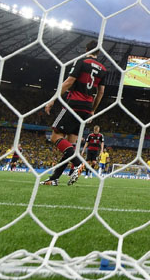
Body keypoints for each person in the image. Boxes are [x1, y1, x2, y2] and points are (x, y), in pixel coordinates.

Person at [42, 42, 107, 186]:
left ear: (86, 49)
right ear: (99, 52)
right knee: (70, 145)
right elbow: (101, 92)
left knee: (55, 136)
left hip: (73, 104)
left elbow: (69, 82)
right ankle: (54, 178)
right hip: (87, 108)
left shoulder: (82, 62)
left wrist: (52, 100)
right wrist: (92, 110)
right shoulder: (103, 69)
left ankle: (78, 163)